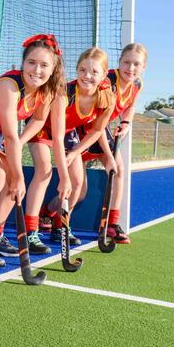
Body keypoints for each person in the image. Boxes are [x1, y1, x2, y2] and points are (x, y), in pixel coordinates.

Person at [0, 34, 66, 268]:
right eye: (31, 63)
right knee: (0, 177)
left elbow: (37, 120)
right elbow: (9, 135)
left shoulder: (46, 92)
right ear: (23, 63)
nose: (36, 70)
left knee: (13, 184)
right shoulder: (9, 86)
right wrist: (16, 169)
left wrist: (19, 142)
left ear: (53, 67)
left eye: (44, 65)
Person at [27, 47, 115, 250]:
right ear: (77, 70)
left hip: (68, 132)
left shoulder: (106, 98)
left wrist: (76, 153)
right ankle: (31, 232)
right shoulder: (63, 93)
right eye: (83, 70)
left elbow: (96, 131)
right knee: (44, 171)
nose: (87, 76)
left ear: (104, 74)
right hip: (43, 127)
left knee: (77, 185)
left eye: (94, 72)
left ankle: (60, 226)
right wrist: (63, 176)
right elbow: (56, 136)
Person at [70, 43, 147, 244]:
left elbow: (130, 105)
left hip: (99, 130)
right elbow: (96, 126)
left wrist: (126, 122)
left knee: (119, 169)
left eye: (136, 64)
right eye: (126, 62)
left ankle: (112, 224)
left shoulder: (137, 84)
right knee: (79, 191)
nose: (130, 68)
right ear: (119, 62)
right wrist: (108, 153)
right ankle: (50, 213)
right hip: (83, 130)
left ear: (143, 68)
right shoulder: (108, 83)